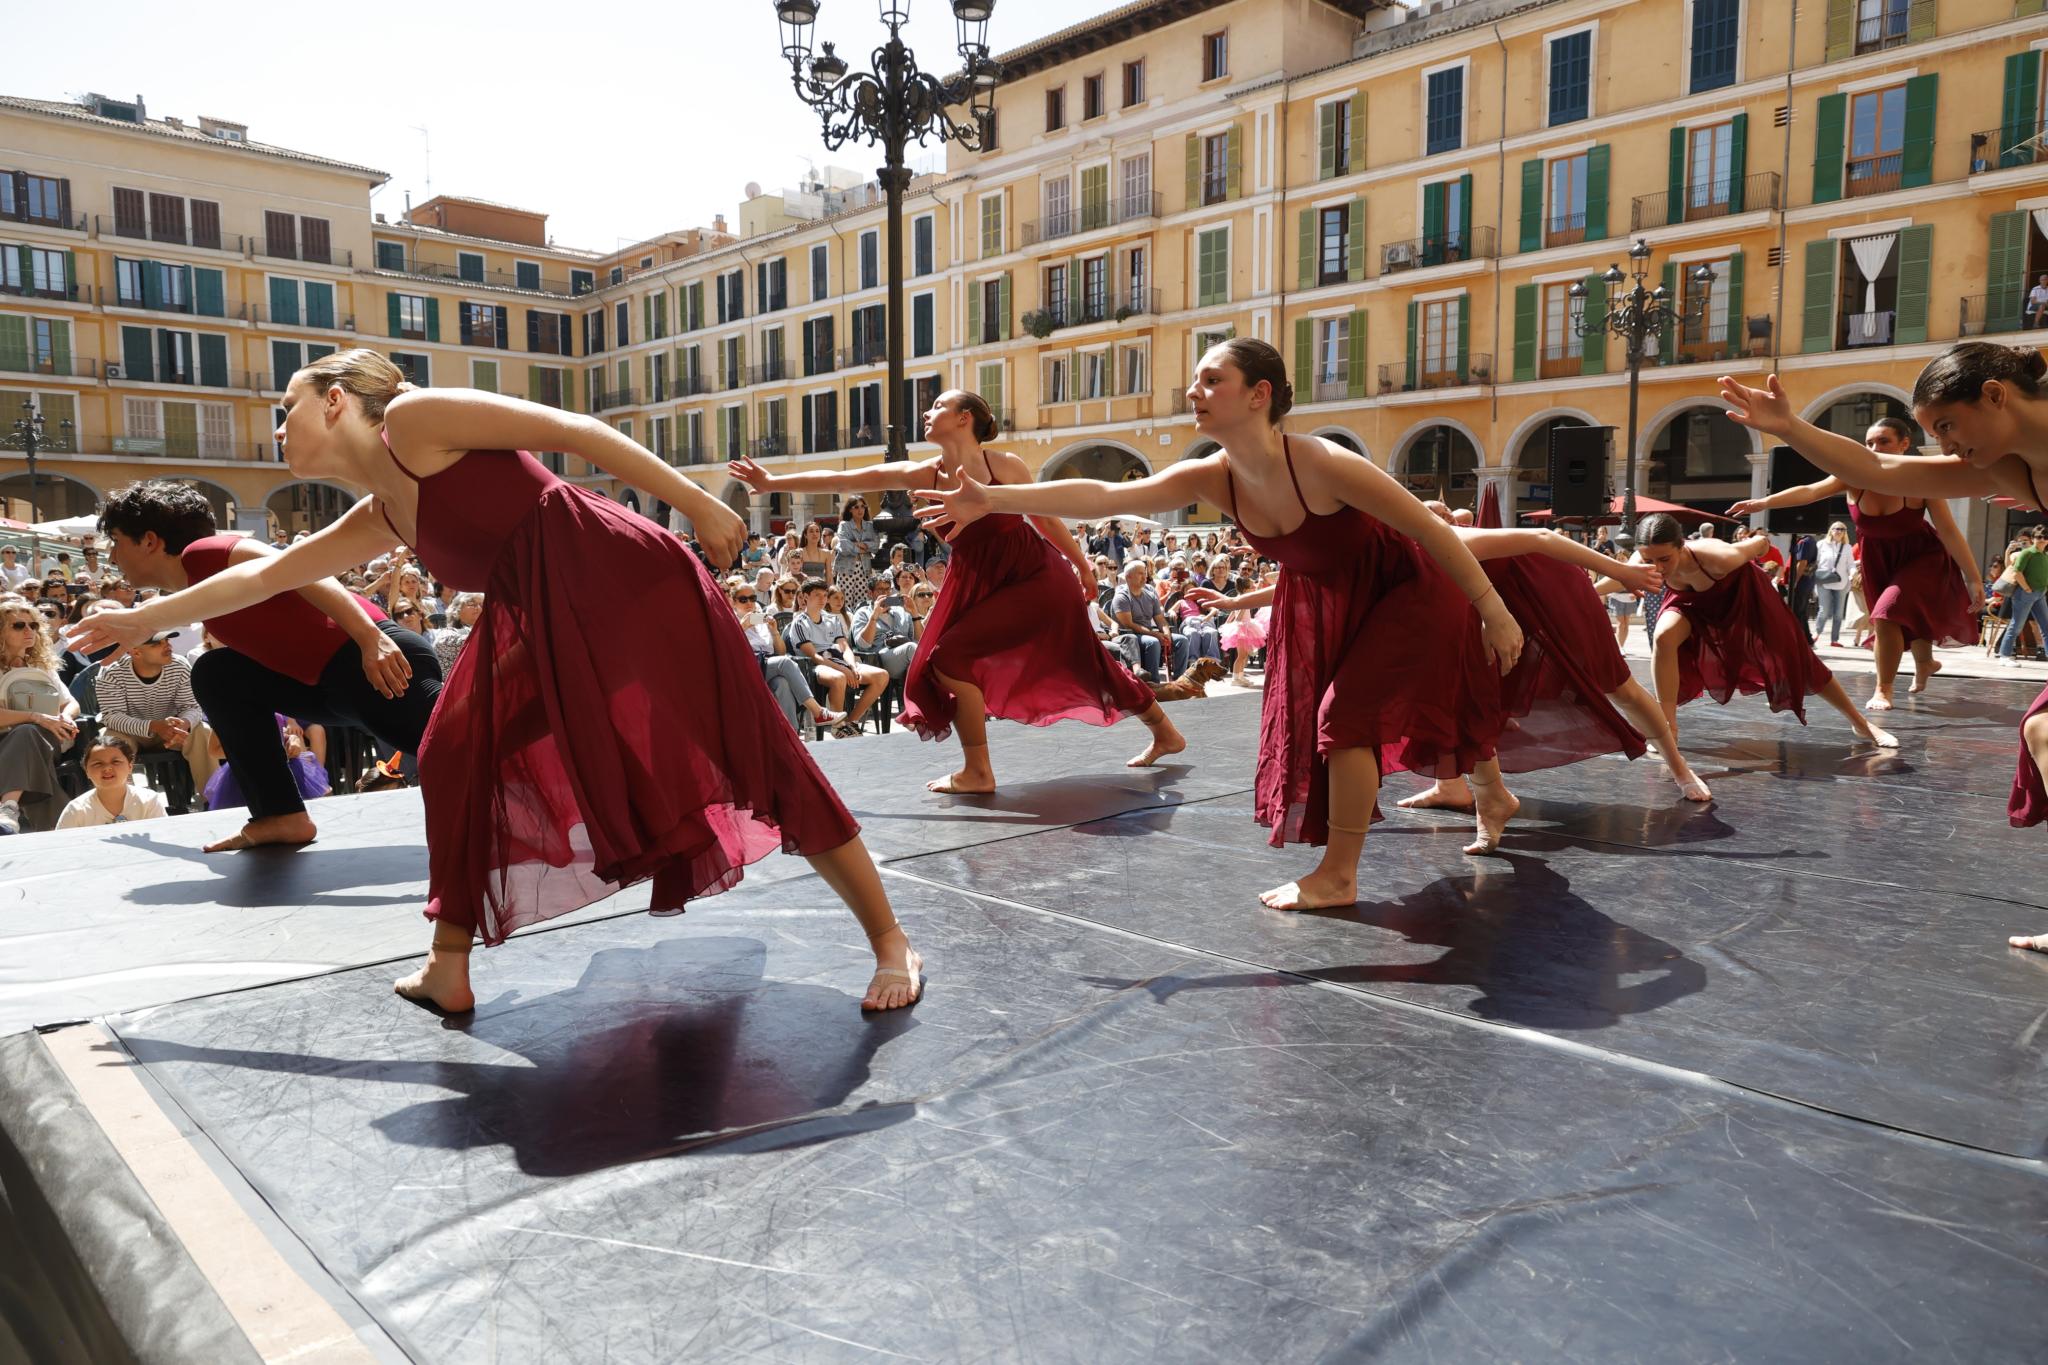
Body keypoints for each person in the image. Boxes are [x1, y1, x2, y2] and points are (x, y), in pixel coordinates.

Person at [70, 350, 922, 1014]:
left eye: (284, 407)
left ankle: (891, 941)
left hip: (624, 585)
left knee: (756, 755)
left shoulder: (415, 419)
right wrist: (137, 622)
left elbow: (578, 430)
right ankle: (449, 965)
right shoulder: (384, 511)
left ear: (334, 401)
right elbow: (265, 577)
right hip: (546, 617)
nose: (276, 425)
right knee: (450, 751)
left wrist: (695, 503)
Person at [916, 339, 1523, 904]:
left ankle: (1338, 876)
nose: (1193, 391)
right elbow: (1103, 495)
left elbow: (1430, 531)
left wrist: (1492, 611)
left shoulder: (1322, 462)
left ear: (1259, 395)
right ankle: (1492, 793)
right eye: (1194, 381)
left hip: (1408, 590)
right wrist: (992, 499)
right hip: (1327, 597)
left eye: (1212, 380)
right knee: (1387, 709)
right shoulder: (1214, 473)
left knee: (1346, 718)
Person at [1719, 351, 2048, 952]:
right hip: (1885, 563)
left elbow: (1920, 503)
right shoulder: (2013, 470)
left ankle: (1909, 672)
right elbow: (1876, 467)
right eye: (1933, 433)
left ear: (1997, 396)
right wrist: (1790, 427)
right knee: (2042, 731)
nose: (1945, 444)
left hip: (1915, 564)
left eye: (1947, 427)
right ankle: (1902, 676)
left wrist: (1975, 581)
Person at [730, 390, 1183, 794]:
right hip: (978, 580)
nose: (927, 413)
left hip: (1033, 576)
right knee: (1062, 659)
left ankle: (978, 771)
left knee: (963, 658)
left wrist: (1083, 567)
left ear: (966, 418)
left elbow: (1045, 518)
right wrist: (772, 484)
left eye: (939, 407)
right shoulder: (924, 472)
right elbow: (845, 480)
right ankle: (1164, 733)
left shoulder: (1002, 465)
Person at [96, 478, 442, 853]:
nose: (112, 557)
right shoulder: (199, 592)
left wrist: (368, 636)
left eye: (116, 541)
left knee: (477, 752)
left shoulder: (205, 553)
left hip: (371, 662)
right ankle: (279, 815)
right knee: (218, 672)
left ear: (149, 540)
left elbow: (304, 568)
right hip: (325, 684)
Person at [1370, 503, 1711, 821]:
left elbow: (1542, 536)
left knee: (1618, 686)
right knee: (1455, 691)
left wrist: (1620, 569)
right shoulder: (1396, 557)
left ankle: (1679, 767)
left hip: (1557, 595)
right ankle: (1451, 786)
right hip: (1502, 607)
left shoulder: (1448, 538)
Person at [1730, 416, 1980, 707]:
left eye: (1883, 441)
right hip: (1878, 559)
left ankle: (1883, 690)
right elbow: (1810, 491)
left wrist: (1972, 577)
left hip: (1922, 556)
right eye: (1869, 442)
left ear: (1905, 444)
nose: (1874, 447)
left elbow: (1949, 530)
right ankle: (1924, 663)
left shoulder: (1919, 479)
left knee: (1887, 615)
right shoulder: (1852, 475)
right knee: (1907, 613)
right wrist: (1762, 503)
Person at [1633, 512, 1897, 751]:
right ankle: (1666, 729)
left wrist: (1763, 543)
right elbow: (1613, 577)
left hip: (1743, 598)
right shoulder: (1643, 561)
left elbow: (1760, 544)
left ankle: (1861, 723)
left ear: (1682, 546)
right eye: (1649, 560)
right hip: (1692, 604)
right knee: (1663, 637)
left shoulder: (1717, 556)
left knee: (1799, 661)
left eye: (1665, 559)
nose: (1657, 568)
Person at [92, 627, 219, 792]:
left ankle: (213, 798)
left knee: (202, 731)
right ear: (135, 652)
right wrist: (154, 726)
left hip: (172, 731)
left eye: (166, 640)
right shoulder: (111, 672)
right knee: (111, 741)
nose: (167, 646)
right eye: (156, 644)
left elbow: (191, 707)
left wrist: (183, 723)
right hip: (130, 734)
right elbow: (112, 717)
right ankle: (124, 804)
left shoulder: (180, 665)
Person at [726, 576, 844, 735]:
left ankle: (791, 734)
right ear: (733, 602)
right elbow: (727, 648)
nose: (749, 602)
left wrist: (774, 632)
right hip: (743, 668)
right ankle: (818, 712)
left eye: (752, 598)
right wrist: (743, 627)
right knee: (786, 663)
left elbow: (780, 652)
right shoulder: (729, 620)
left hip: (764, 666)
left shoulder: (760, 619)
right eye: (743, 599)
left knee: (783, 684)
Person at [787, 578, 887, 737]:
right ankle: (837, 726)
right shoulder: (799, 622)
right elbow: (814, 656)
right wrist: (844, 670)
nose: (822, 599)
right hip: (813, 666)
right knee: (839, 677)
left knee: (881, 675)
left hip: (837, 661)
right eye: (817, 595)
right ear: (805, 597)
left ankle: (849, 722)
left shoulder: (832, 618)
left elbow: (844, 646)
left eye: (825, 595)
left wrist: (852, 666)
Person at [203, 714, 331, 812]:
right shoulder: (227, 711)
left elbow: (281, 731)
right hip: (248, 775)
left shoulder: (270, 701)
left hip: (284, 770)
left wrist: (292, 740)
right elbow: (214, 750)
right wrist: (252, 751)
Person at [55, 733, 167, 829]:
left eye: (116, 762)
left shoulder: (149, 802)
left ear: (130, 767)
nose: (107, 768)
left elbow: (165, 837)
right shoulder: (76, 810)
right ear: (87, 771)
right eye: (98, 764)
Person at [1998, 524, 2048, 664]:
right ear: (2033, 539)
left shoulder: (2044, 555)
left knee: (2046, 626)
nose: (2042, 539)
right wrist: (2026, 589)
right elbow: (2016, 572)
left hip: (2039, 594)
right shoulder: (2027, 553)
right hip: (2025, 594)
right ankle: (2004, 656)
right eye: (2039, 537)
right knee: (2016, 625)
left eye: (2045, 537)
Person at [831, 495, 879, 610]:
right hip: (846, 568)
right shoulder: (844, 525)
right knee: (844, 603)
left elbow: (876, 545)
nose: (860, 510)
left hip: (864, 568)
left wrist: (861, 545)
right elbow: (843, 545)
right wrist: (862, 548)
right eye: (856, 507)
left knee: (862, 603)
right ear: (850, 510)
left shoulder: (870, 526)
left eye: (863, 506)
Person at [1812, 521, 1855, 646]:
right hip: (1823, 580)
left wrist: (1853, 574)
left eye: (1842, 529)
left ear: (1845, 533)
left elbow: (1851, 564)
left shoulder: (1847, 547)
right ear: (1831, 530)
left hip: (1841, 582)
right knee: (1824, 610)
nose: (1839, 531)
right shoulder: (1821, 544)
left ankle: (1834, 639)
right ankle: (1816, 633)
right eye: (1836, 529)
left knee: (1838, 613)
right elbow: (1815, 561)